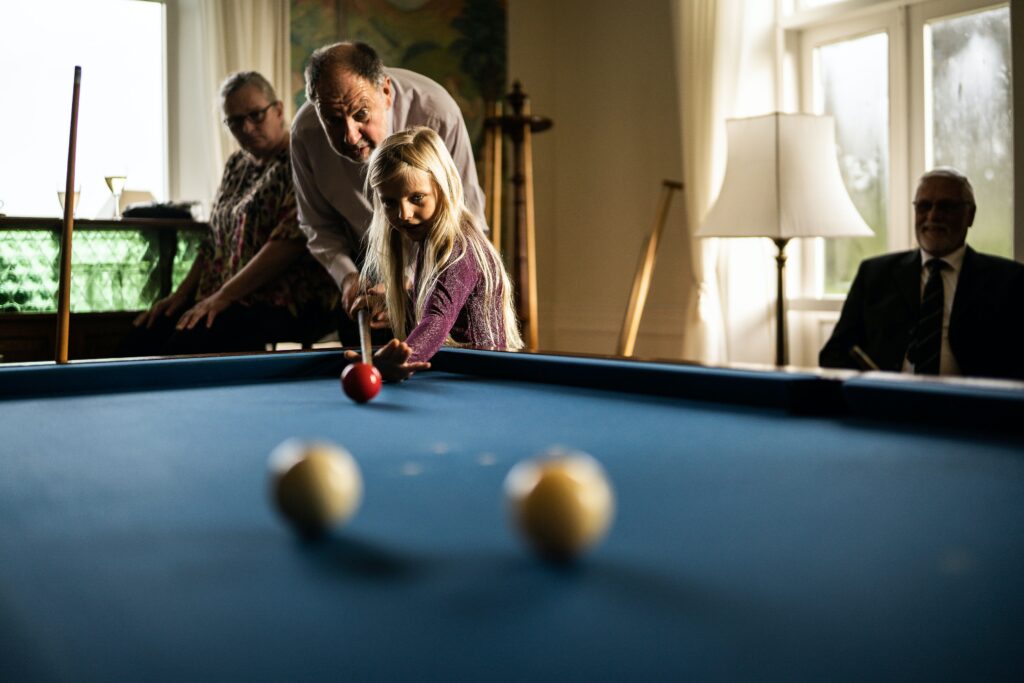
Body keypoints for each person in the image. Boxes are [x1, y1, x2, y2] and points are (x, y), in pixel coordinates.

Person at [123, 71, 336, 356]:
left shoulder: (299, 159)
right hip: (225, 295)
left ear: (279, 110)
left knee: (185, 343)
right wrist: (180, 295)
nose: (246, 128)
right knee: (144, 334)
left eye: (256, 115)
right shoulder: (237, 164)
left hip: (279, 300)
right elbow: (213, 242)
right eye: (235, 121)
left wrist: (223, 297)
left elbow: (288, 243)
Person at [290, 41, 487, 343]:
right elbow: (318, 227)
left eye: (361, 114)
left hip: (441, 263)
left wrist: (407, 281)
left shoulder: (436, 111)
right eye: (332, 119)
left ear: (386, 92)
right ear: (315, 105)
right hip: (364, 269)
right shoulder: (304, 134)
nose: (349, 135)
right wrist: (348, 279)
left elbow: (465, 217)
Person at [343, 127, 521, 381]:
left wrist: (399, 360)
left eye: (417, 198)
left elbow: (437, 318)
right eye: (390, 202)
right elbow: (438, 300)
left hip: (479, 382)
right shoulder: (431, 242)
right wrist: (393, 302)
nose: (403, 214)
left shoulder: (459, 249)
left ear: (442, 188)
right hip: (456, 378)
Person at [819, 168, 1024, 380]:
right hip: (888, 403)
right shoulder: (873, 275)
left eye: (946, 207)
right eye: (924, 206)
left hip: (971, 406)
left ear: (970, 214)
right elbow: (834, 354)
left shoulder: (1009, 281)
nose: (933, 216)